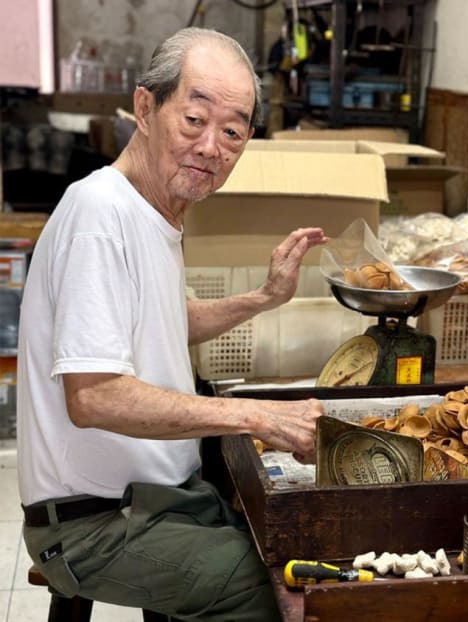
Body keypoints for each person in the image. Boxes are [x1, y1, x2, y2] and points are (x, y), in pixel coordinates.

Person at [17, 27, 325, 621]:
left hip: (159, 501)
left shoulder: (152, 212)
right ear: (145, 108)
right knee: (280, 595)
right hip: (93, 523)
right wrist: (255, 415)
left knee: (291, 543)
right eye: (194, 120)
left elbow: (163, 320)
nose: (212, 147)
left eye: (232, 132)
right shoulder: (100, 213)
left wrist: (263, 297)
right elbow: (95, 396)